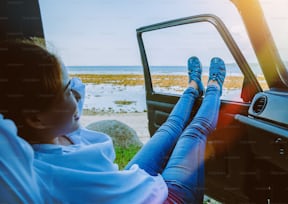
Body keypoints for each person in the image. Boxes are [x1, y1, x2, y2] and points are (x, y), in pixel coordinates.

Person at [0, 39, 226, 203]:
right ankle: (215, 85)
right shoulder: (36, 176)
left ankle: (193, 86)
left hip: (127, 181)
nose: (77, 96)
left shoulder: (54, 129)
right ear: (35, 118)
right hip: (166, 198)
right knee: (194, 132)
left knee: (169, 127)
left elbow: (74, 86)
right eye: (68, 92)